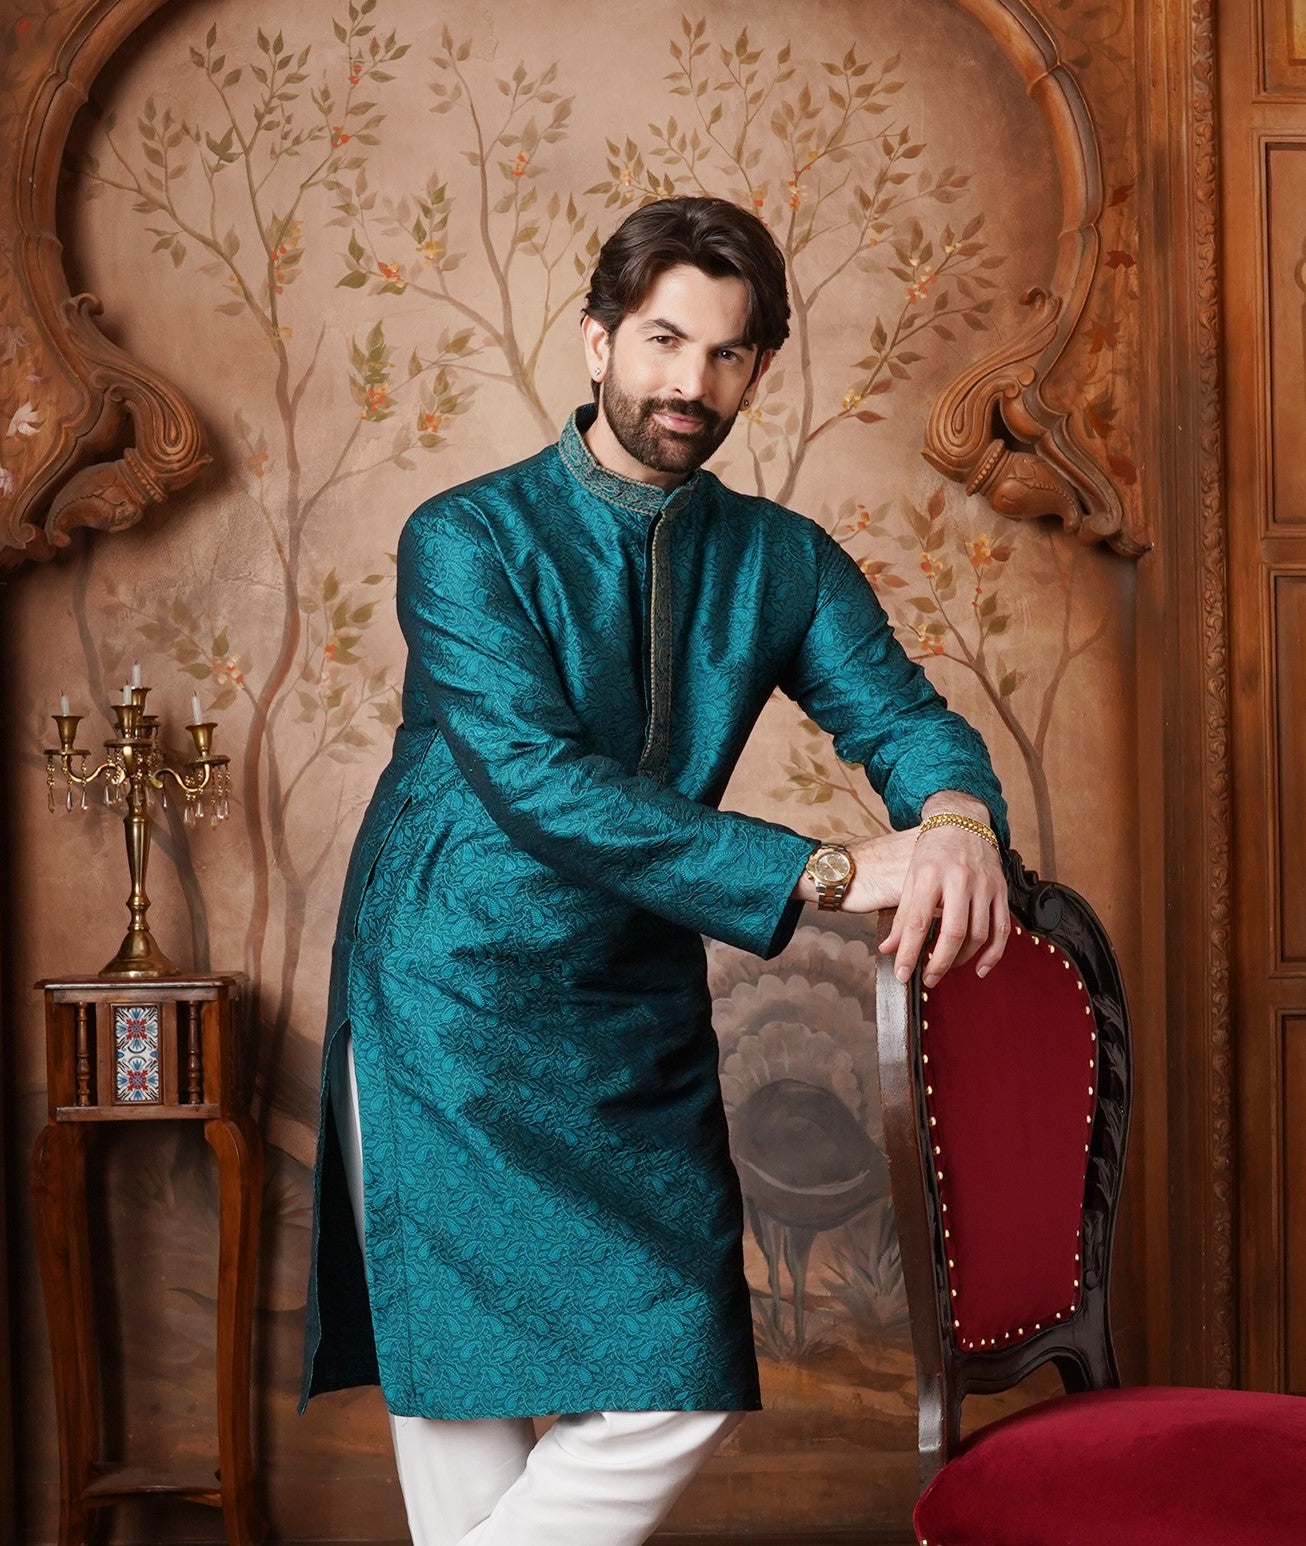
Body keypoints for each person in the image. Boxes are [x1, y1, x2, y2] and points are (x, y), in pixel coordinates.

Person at [300, 195, 1009, 1546]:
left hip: (630, 1007)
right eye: (664, 340)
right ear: (598, 342)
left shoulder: (780, 559)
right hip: (444, 1009)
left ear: (758, 369)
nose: (690, 382)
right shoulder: (464, 537)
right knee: (464, 1404)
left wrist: (959, 817)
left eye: (726, 353)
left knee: (675, 1369)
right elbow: (541, 783)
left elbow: (904, 718)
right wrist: (826, 871)